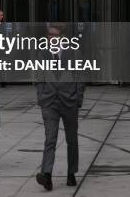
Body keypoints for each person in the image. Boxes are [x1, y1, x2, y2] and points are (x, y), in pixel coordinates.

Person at [35, 23, 84, 191]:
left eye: (55, 35)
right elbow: (39, 76)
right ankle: (46, 175)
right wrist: (41, 97)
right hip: (49, 102)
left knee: (72, 139)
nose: (51, 38)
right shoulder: (42, 53)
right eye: (49, 35)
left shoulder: (74, 53)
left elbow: (80, 77)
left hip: (69, 101)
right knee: (50, 139)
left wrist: (78, 99)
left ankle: (71, 172)